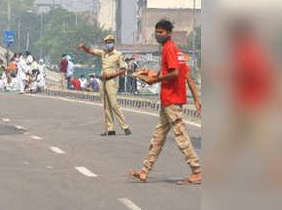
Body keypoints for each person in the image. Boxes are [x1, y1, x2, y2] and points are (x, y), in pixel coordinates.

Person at [129, 19, 201, 184]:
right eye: (156, 32)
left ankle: (197, 170)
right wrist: (149, 73)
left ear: (169, 33)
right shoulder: (176, 51)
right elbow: (186, 76)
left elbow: (175, 74)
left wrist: (154, 81)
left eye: (161, 32)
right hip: (168, 100)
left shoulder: (169, 49)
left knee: (180, 136)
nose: (157, 35)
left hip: (172, 100)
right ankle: (144, 171)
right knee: (158, 137)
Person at [78, 35, 132, 136]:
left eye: (110, 42)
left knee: (114, 104)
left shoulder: (118, 55)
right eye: (107, 42)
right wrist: (83, 47)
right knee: (106, 106)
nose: (108, 44)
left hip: (111, 81)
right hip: (103, 81)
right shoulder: (103, 53)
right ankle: (110, 128)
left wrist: (111, 74)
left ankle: (125, 127)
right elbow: (91, 51)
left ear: (113, 43)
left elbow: (123, 69)